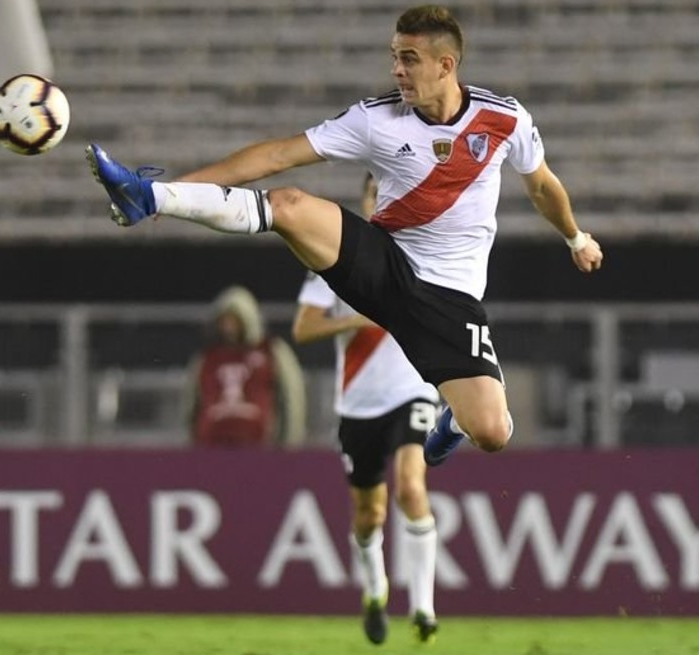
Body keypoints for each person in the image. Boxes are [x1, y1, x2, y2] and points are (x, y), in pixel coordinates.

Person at [85, 4, 603, 467]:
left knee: (492, 433)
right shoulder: (376, 119)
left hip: (450, 299)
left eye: (409, 59)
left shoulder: (504, 120)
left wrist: (575, 238)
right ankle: (146, 197)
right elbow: (276, 155)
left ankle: (454, 419)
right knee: (287, 204)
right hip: (382, 265)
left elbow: (541, 187)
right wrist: (178, 187)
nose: (397, 69)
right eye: (394, 57)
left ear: (446, 66)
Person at [293, 173, 439, 645]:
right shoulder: (336, 256)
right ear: (365, 198)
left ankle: (423, 607)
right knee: (369, 515)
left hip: (413, 390)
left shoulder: (431, 251)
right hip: (358, 404)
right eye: (377, 191)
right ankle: (375, 591)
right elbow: (304, 329)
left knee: (412, 489)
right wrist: (360, 314)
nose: (385, 198)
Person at [187, 285, 306, 448]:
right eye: (224, 321)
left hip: (259, 444)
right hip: (211, 444)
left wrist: (290, 440)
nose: (228, 327)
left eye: (234, 321)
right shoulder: (208, 357)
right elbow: (191, 400)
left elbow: (292, 394)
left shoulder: (271, 352)